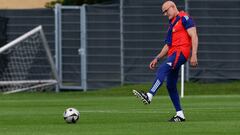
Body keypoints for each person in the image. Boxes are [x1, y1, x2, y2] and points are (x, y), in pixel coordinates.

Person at [133, 0, 198, 122]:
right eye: (163, 12)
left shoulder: (184, 18)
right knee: (170, 84)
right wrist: (157, 58)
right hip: (173, 54)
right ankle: (180, 115)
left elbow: (194, 35)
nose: (165, 14)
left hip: (181, 52)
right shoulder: (172, 24)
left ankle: (149, 95)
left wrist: (194, 54)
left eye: (166, 11)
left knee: (163, 68)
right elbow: (168, 46)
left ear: (173, 7)